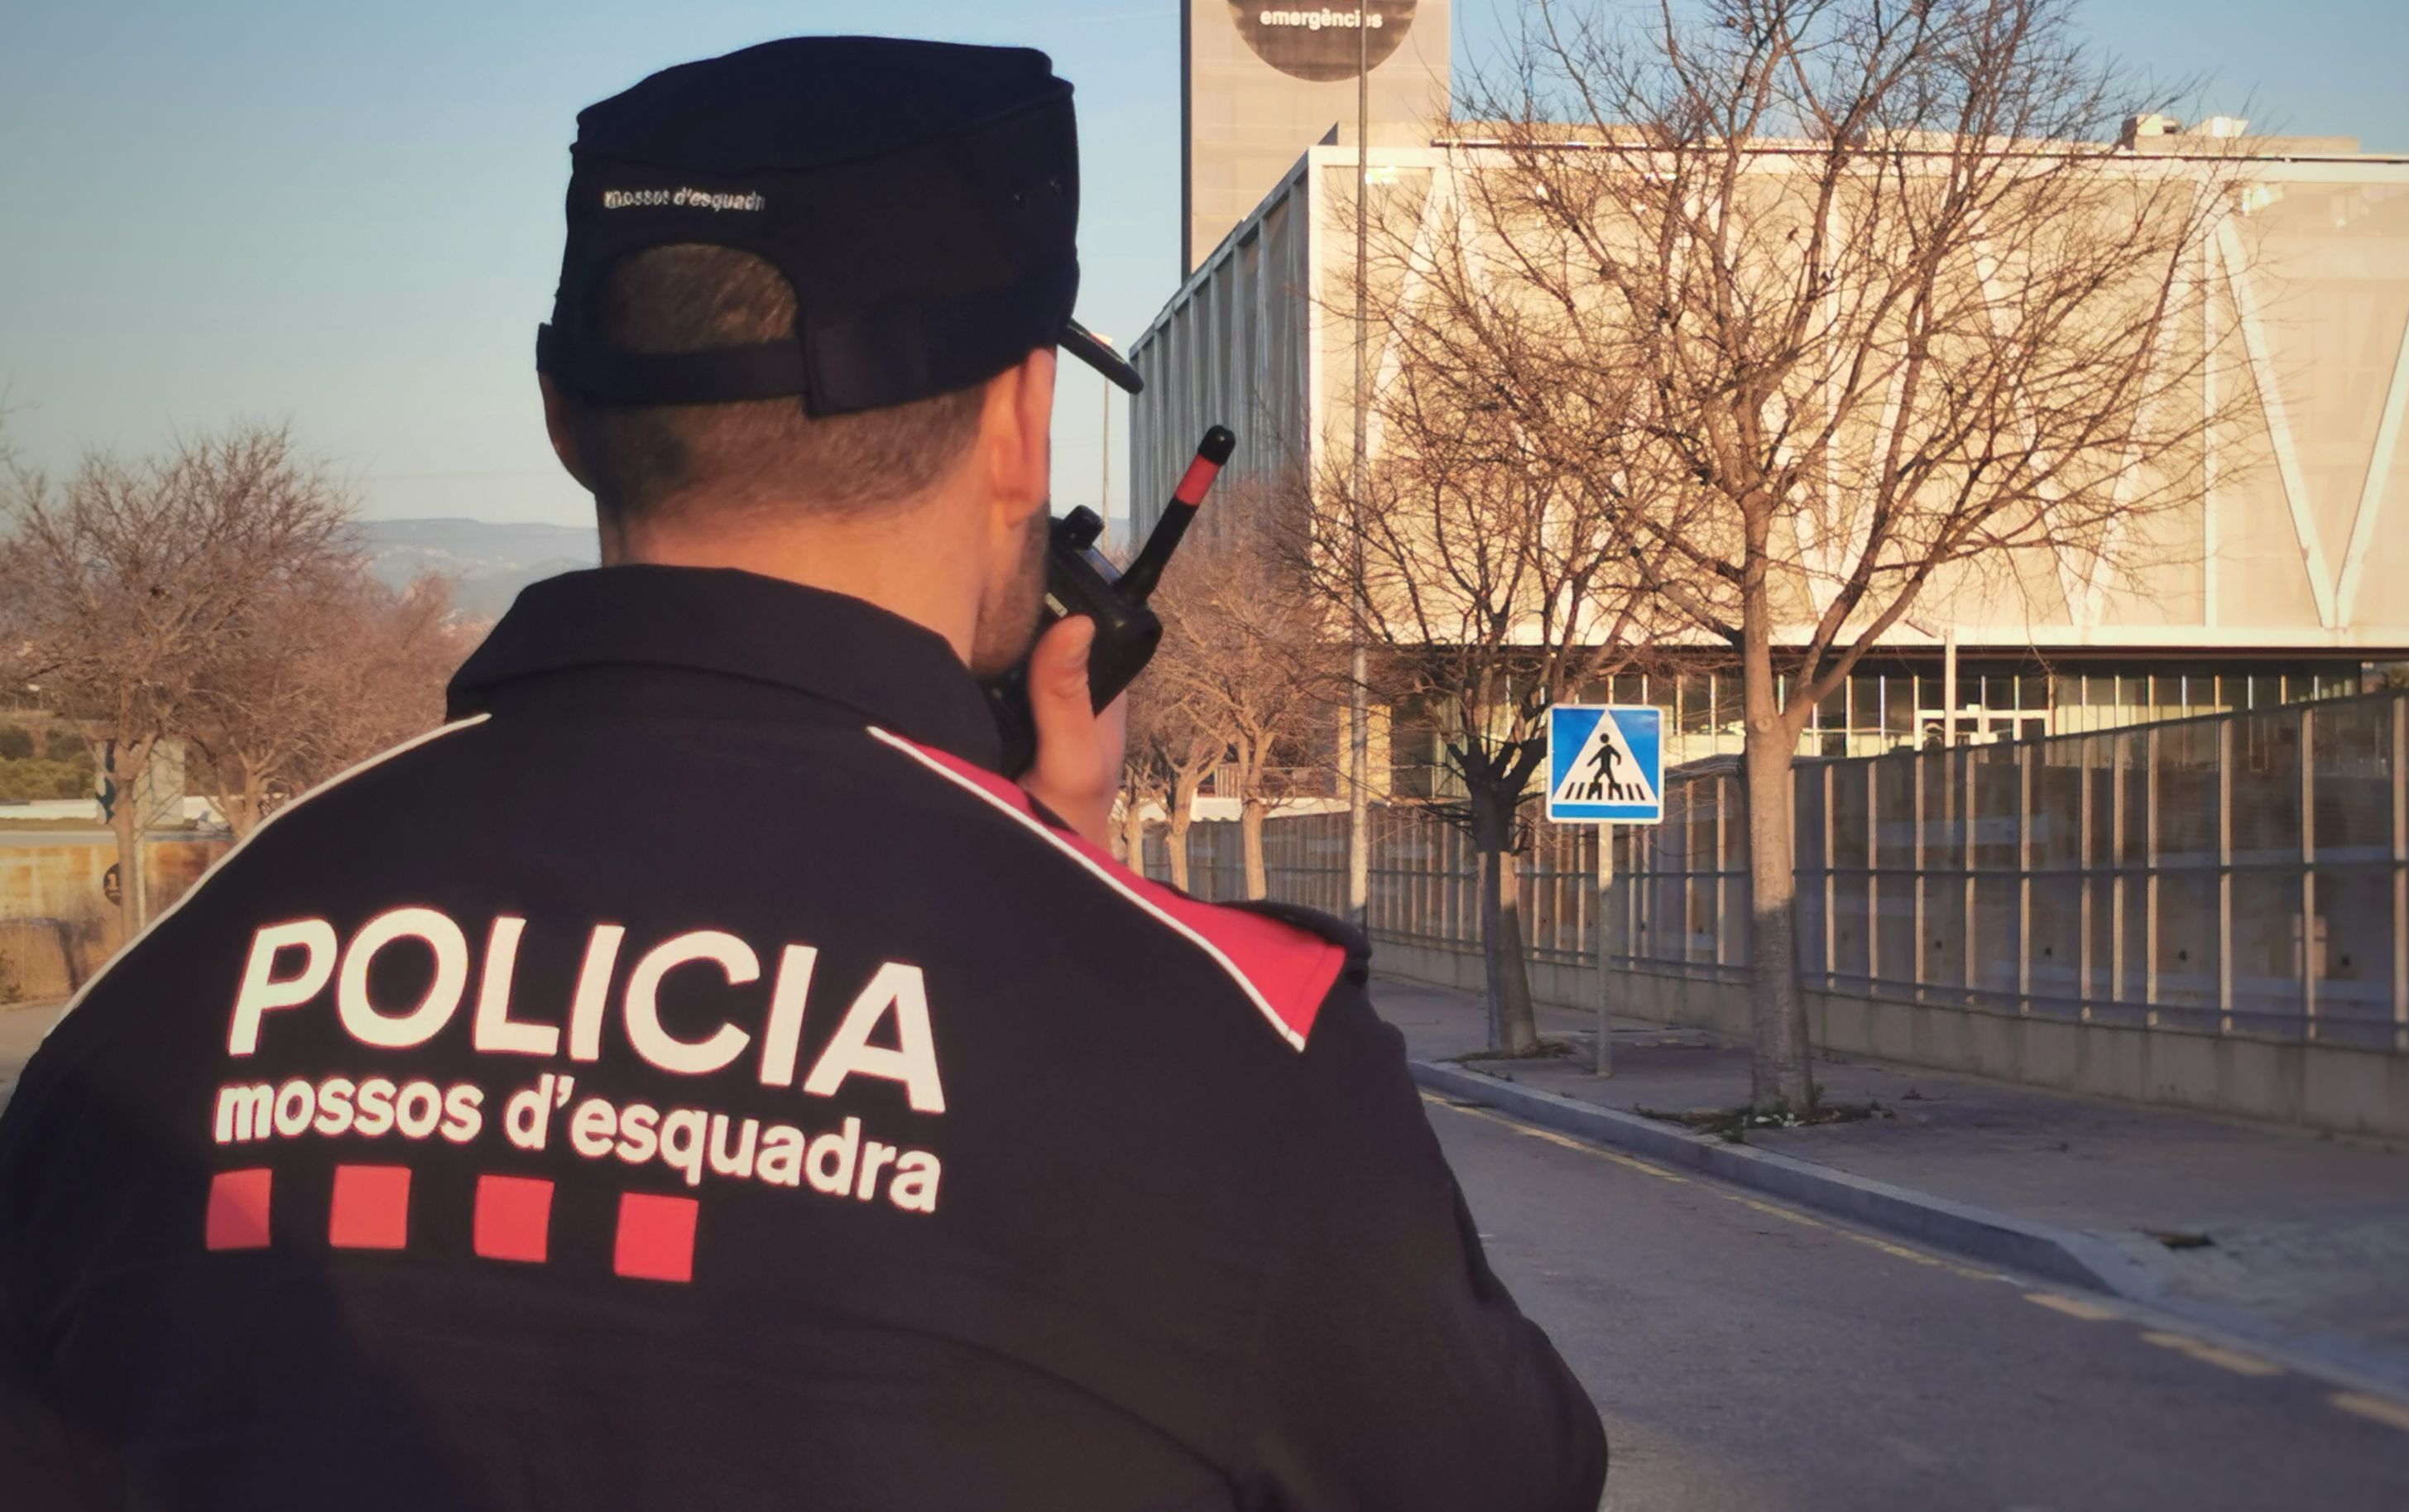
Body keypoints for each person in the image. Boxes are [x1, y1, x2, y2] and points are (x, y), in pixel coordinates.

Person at [0, 36, 1606, 1510]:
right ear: (1018, 426)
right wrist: (1074, 895)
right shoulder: (1230, 1066)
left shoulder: (144, 1024)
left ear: (564, 410)